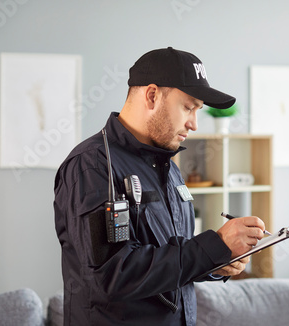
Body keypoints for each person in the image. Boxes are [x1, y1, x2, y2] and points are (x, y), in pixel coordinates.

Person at [54, 47, 266, 326]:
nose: (194, 123)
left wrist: (216, 261)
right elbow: (112, 275)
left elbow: (170, 258)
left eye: (198, 111)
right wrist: (213, 246)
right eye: (188, 107)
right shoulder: (91, 166)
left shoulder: (170, 169)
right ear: (152, 95)